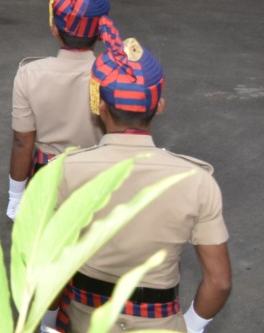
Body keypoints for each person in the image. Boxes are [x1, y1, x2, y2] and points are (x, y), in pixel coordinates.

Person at [54, 36, 230, 333]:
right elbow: (220, 282)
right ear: (159, 105)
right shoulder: (198, 182)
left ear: (99, 105)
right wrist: (191, 325)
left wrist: (48, 322)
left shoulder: (64, 172)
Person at [6, 0, 112, 220]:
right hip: (99, 175)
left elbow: (23, 141)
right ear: (100, 33)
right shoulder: (112, 75)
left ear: (55, 29)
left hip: (47, 176)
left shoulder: (30, 73)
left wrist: (16, 195)